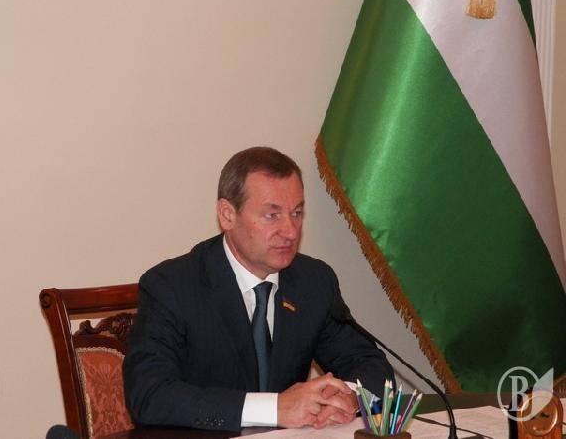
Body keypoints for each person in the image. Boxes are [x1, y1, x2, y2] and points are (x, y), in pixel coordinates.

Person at [123, 147, 394, 431]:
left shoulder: (313, 281)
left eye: (297, 213)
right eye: (272, 215)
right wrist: (275, 408)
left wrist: (346, 396)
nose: (291, 231)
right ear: (227, 215)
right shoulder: (172, 286)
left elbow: (370, 366)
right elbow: (149, 394)